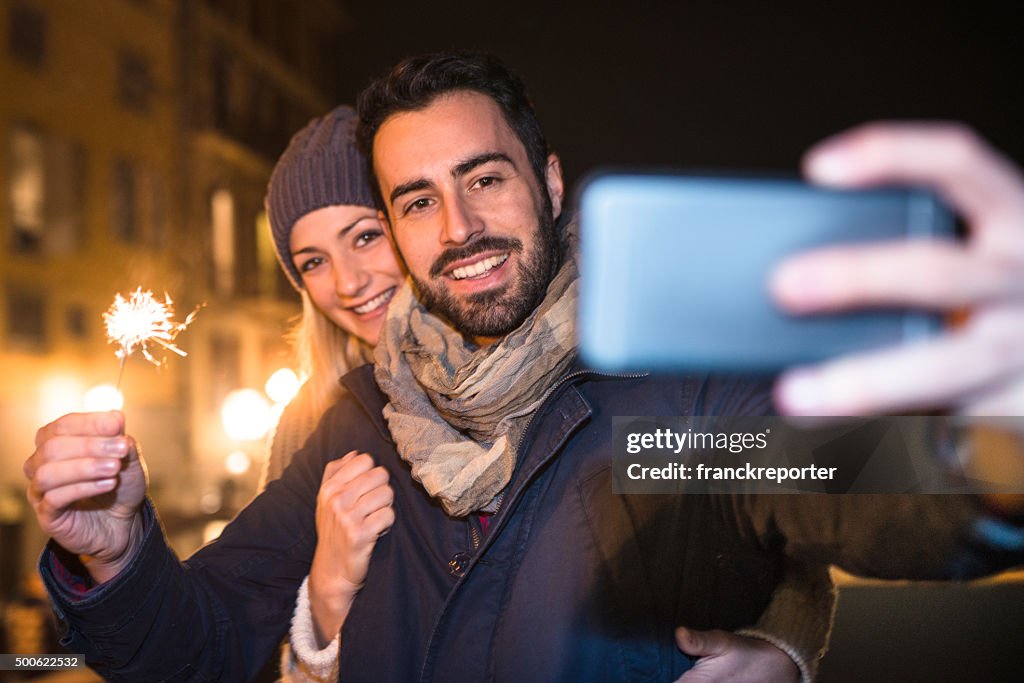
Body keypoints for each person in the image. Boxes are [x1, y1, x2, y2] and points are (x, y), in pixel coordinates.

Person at [24, 52, 1024, 681]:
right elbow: (191, 644)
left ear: (547, 183)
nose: (458, 229)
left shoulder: (672, 403)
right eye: (415, 201)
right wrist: (113, 555)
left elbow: (877, 489)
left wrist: (998, 417)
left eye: (484, 179)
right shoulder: (354, 421)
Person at [263, 105, 834, 681]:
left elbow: (786, 521)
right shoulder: (312, 428)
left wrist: (780, 647)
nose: (347, 281)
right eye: (313, 261)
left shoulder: (587, 354)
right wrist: (328, 601)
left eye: (365, 236)